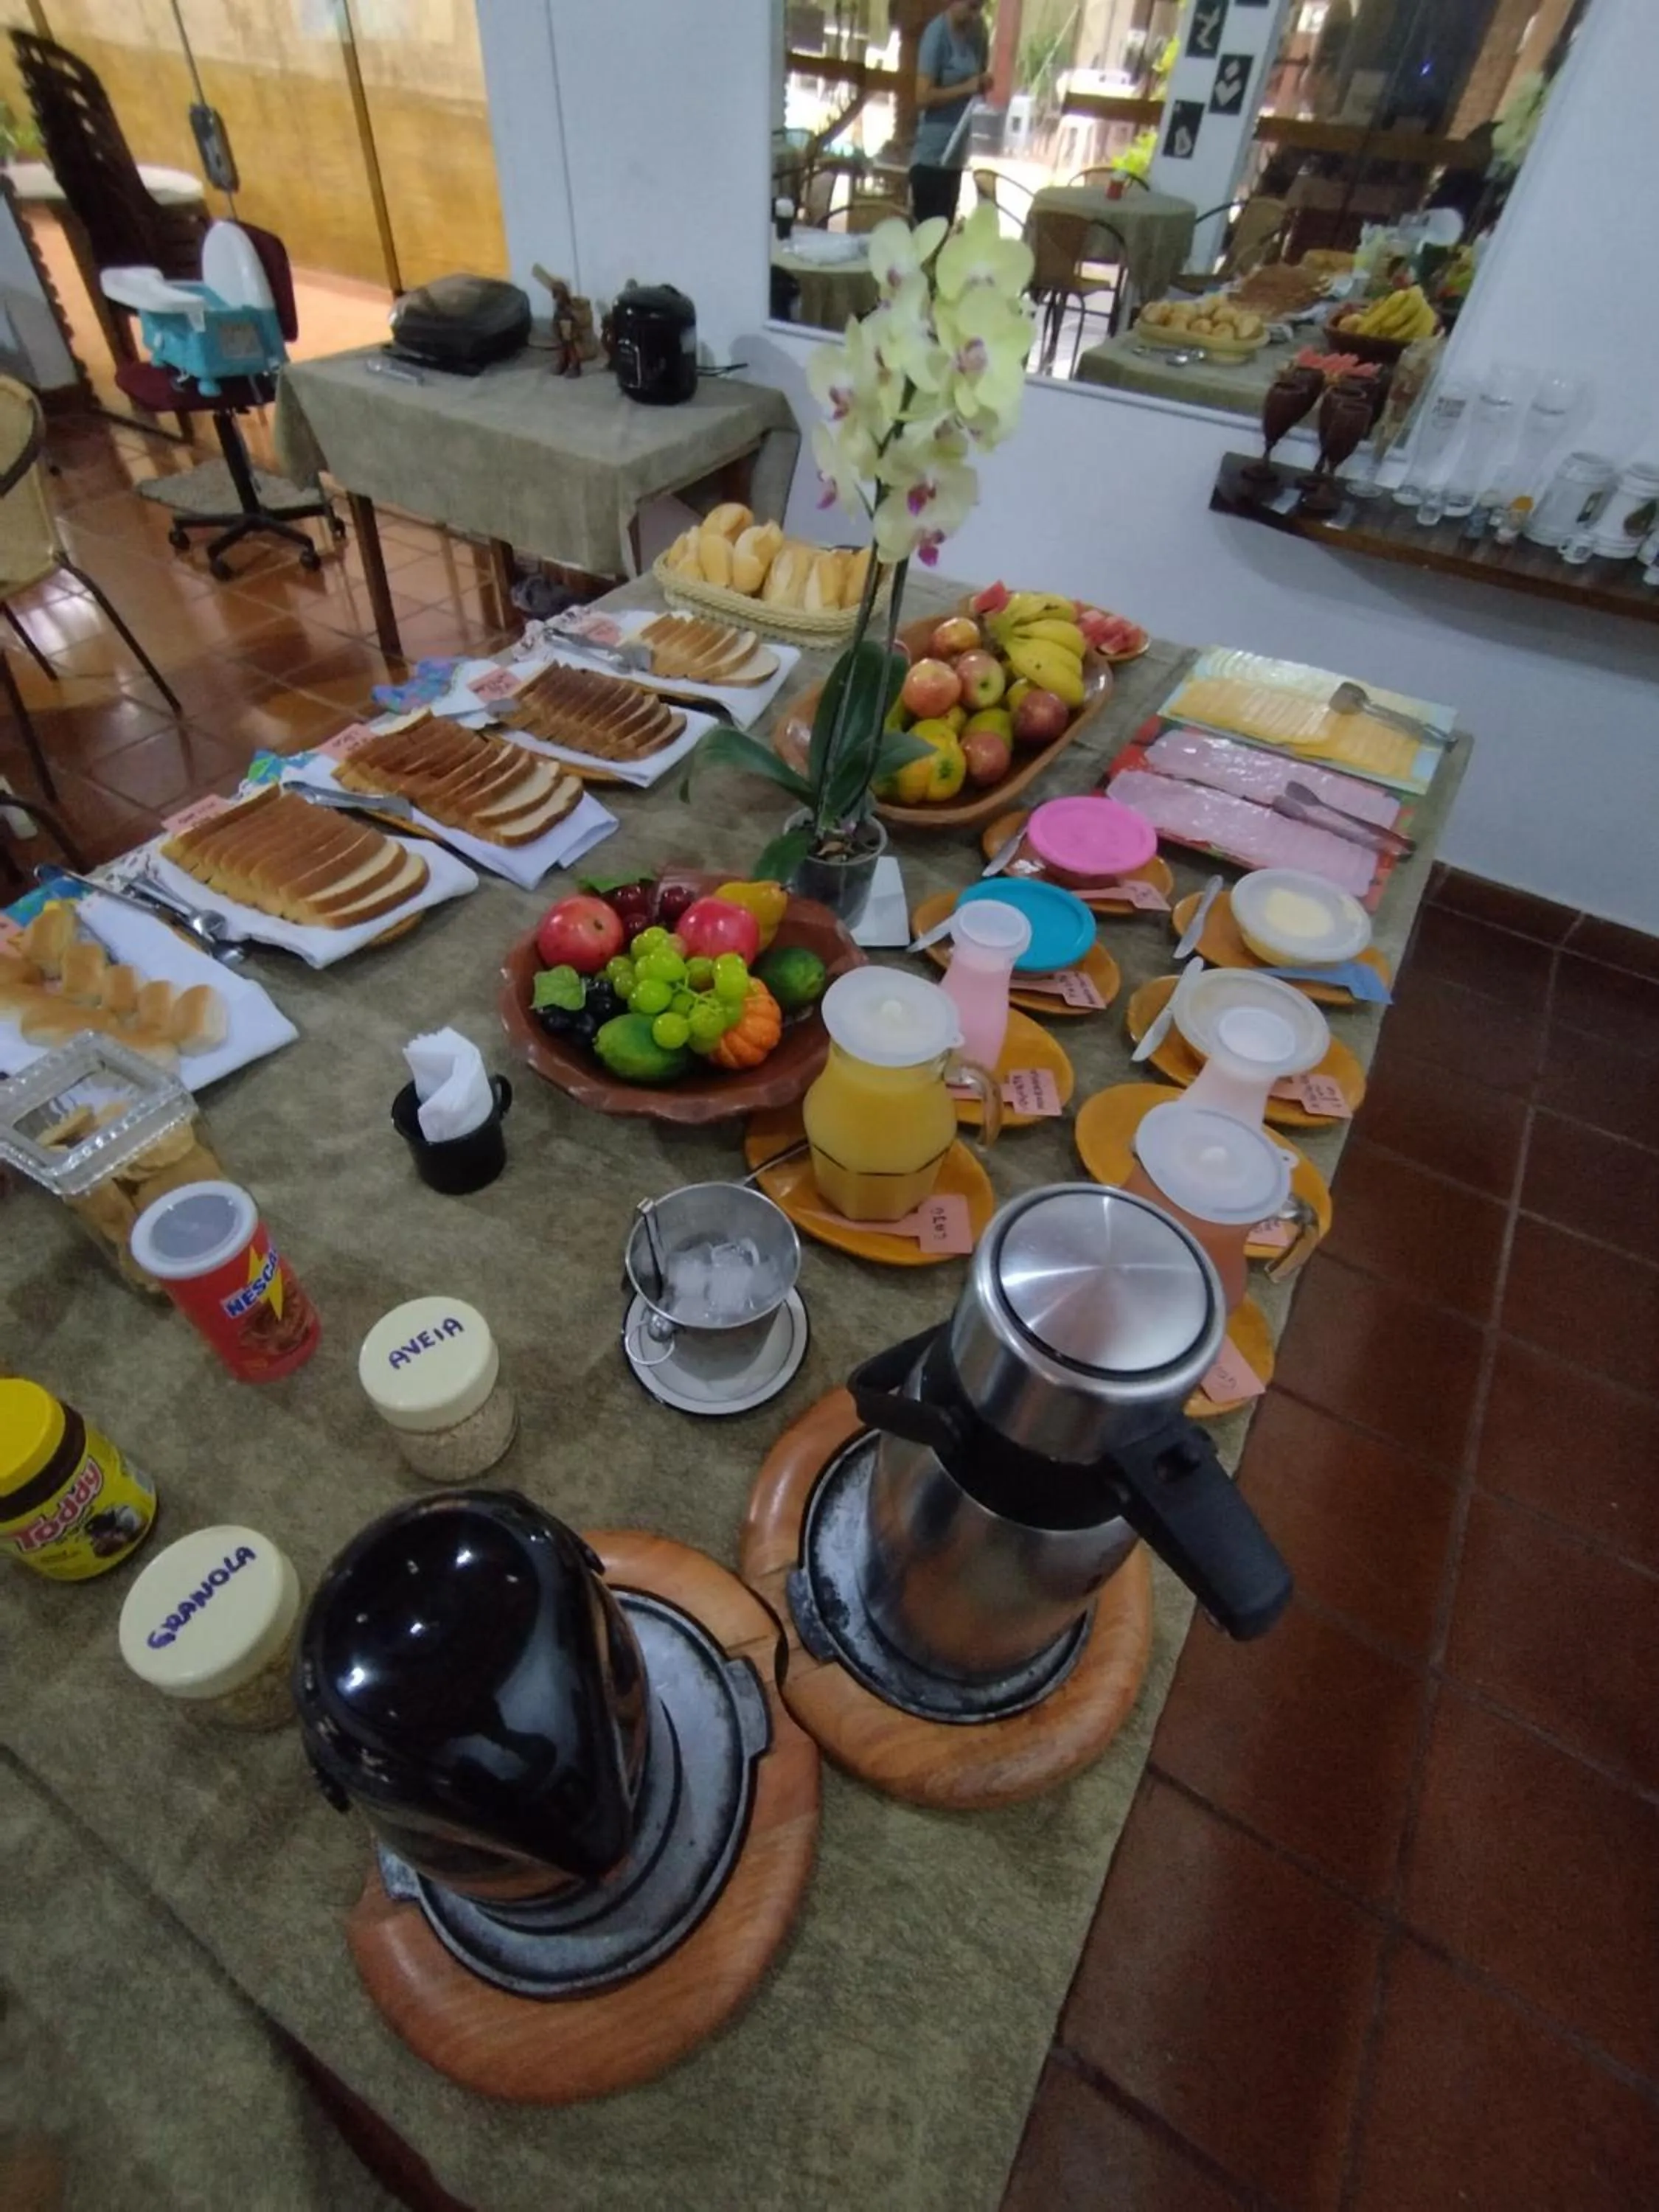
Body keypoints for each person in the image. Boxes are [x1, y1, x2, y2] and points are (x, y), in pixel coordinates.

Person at [910, 0, 992, 229]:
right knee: (926, 237)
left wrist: (983, 83)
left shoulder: (980, 31)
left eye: (980, 8)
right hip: (931, 157)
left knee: (944, 232)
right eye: (971, 7)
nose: (975, 15)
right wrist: (966, 88)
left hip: (956, 155)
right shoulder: (936, 35)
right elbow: (922, 97)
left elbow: (980, 76)